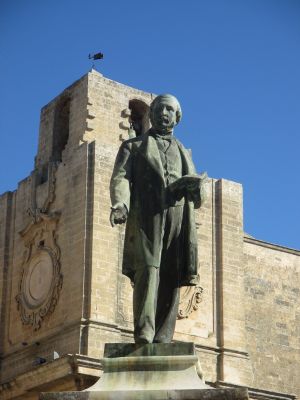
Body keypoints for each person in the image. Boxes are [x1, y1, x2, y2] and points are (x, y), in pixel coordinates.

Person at [110, 94, 204, 343]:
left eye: (170, 110)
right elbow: (121, 178)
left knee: (172, 275)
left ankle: (164, 335)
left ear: (177, 117)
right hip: (147, 217)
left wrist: (195, 189)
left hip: (178, 218)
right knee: (148, 271)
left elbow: (198, 196)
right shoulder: (133, 146)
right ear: (151, 114)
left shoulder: (184, 151)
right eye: (160, 109)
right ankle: (144, 331)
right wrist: (120, 204)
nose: (164, 113)